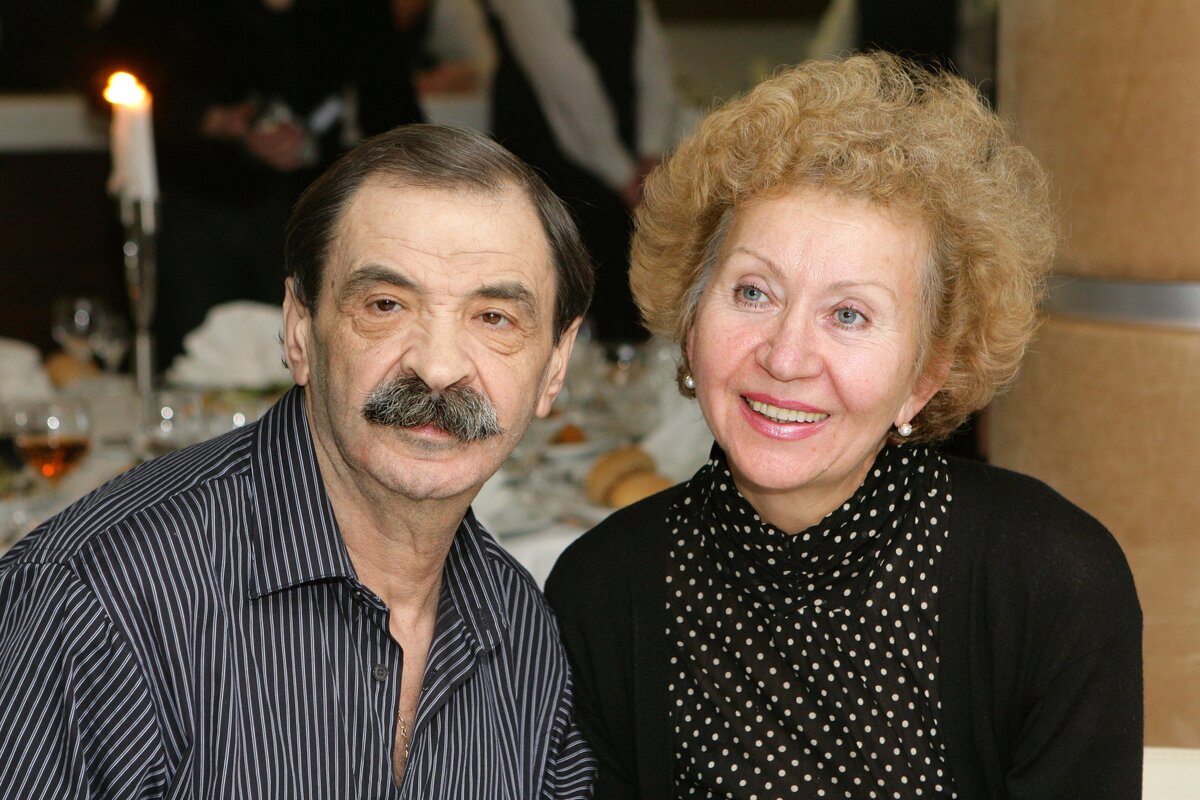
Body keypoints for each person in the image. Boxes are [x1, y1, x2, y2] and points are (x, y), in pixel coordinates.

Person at [546, 52, 1143, 799]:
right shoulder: (602, 594)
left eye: (850, 314)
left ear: (926, 375)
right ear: (691, 323)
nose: (786, 356)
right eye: (754, 292)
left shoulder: (1051, 585)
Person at [0, 124, 597, 798]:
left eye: (494, 318)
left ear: (555, 365)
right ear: (298, 330)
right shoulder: (96, 602)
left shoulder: (522, 629)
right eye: (386, 305)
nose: (437, 366)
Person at [91, 0, 426, 370]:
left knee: (302, 361)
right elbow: (104, 77)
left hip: (312, 214)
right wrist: (212, 119)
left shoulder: (355, 9)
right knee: (195, 360)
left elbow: (395, 110)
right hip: (194, 211)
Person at [484, 0, 679, 344]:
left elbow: (653, 67)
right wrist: (624, 175)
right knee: (557, 304)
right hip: (548, 167)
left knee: (629, 305)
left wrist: (650, 155)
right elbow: (562, 79)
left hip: (627, 170)